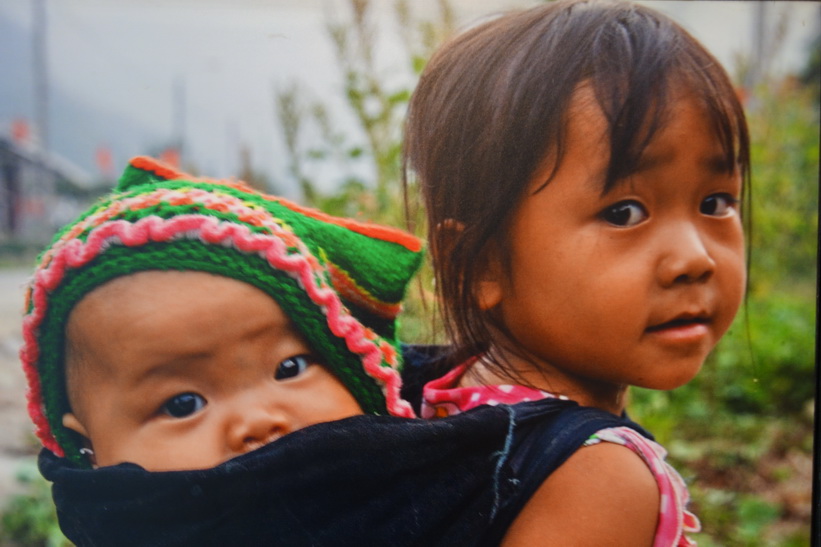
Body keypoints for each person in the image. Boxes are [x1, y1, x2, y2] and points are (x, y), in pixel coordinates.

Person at [403, 0, 749, 545]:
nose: (695, 258)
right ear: (480, 263)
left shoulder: (449, 394)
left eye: (716, 203)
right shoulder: (598, 477)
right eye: (624, 212)